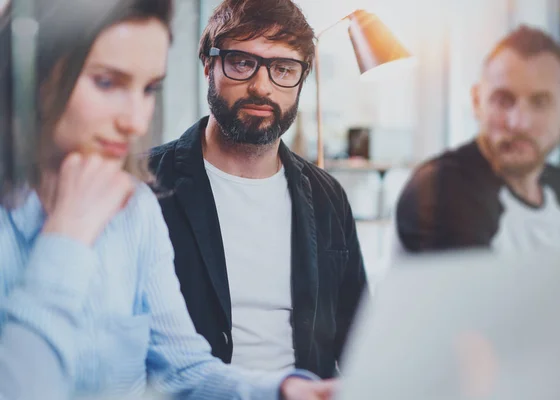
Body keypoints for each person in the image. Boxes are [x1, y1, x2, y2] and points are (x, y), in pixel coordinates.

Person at [0, 0, 336, 398]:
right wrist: (67, 239)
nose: (136, 121)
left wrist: (285, 389)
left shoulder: (135, 210)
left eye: (148, 89)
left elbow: (182, 369)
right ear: (34, 73)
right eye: (107, 82)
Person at [149, 0, 367, 379]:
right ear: (208, 65)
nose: (261, 86)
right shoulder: (147, 184)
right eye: (241, 62)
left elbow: (359, 337)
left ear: (302, 78)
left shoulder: (328, 196)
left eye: (283, 68)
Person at [394, 25, 560, 254]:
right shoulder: (440, 189)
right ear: (476, 101)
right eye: (503, 100)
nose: (518, 123)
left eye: (540, 102)